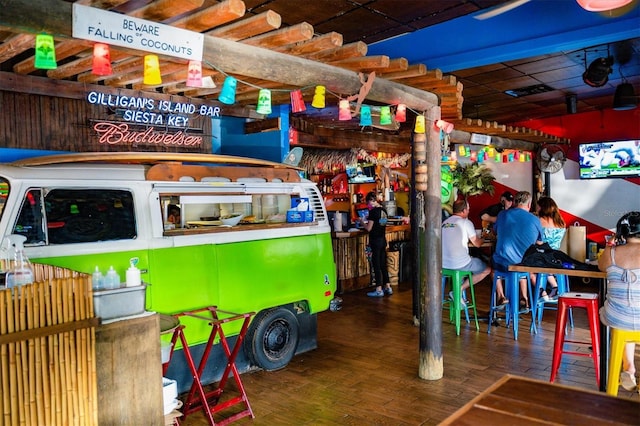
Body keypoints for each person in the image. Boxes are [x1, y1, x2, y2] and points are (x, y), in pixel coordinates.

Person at [599, 211, 640, 392]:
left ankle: (629, 367)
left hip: (616, 317)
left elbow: (600, 266)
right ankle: (629, 367)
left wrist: (610, 244)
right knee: (633, 312)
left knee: (624, 315)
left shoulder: (612, 253)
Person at [492, 191, 543, 310]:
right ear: (529, 205)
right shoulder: (535, 220)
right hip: (524, 264)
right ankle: (524, 298)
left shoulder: (502, 215)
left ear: (515, 202)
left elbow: (494, 232)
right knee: (523, 269)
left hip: (503, 263)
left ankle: (501, 296)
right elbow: (539, 242)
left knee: (493, 270)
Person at [442, 199, 492, 306]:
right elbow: (477, 244)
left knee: (465, 261)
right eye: (468, 210)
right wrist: (484, 237)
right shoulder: (466, 222)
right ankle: (458, 290)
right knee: (487, 270)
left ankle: (458, 293)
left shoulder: (444, 223)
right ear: (464, 210)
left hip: (443, 265)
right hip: (459, 264)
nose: (469, 211)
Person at [360, 191, 393, 297]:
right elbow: (382, 224)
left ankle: (379, 289)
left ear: (370, 201)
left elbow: (369, 228)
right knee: (383, 264)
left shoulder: (373, 212)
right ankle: (388, 287)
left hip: (375, 241)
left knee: (376, 264)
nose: (367, 205)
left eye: (368, 203)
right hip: (382, 240)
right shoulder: (384, 210)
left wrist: (362, 222)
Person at [535, 196, 567, 301]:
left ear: (542, 208)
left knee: (529, 272)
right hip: (556, 257)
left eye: (538, 207)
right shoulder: (561, 222)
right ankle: (555, 287)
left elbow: (537, 241)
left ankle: (541, 292)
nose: (536, 209)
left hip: (543, 256)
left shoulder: (539, 221)